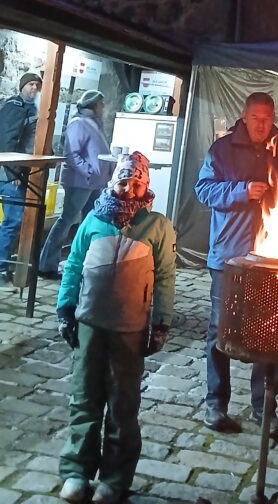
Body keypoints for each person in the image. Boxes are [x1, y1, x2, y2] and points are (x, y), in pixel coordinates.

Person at [56, 150, 176, 504]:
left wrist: (161, 321)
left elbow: (165, 275)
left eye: (136, 184)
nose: (129, 189)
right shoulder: (94, 220)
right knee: (84, 397)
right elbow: (74, 264)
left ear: (145, 187)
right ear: (113, 183)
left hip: (129, 327)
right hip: (90, 322)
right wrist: (65, 307)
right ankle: (76, 472)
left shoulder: (156, 226)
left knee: (123, 404)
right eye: (123, 182)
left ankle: (114, 478)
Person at [194, 92, 278, 438]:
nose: (262, 125)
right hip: (229, 257)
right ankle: (215, 404)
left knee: (271, 333)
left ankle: (264, 409)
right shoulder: (221, 151)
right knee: (219, 331)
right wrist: (241, 191)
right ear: (244, 116)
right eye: (256, 118)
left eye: (267, 118)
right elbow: (203, 191)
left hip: (270, 258)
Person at [39, 89, 113, 279]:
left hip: (94, 182)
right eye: (101, 103)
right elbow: (72, 154)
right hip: (80, 181)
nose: (103, 107)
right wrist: (89, 172)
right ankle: (47, 264)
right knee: (67, 220)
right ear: (93, 104)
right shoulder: (79, 123)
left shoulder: (95, 123)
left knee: (89, 222)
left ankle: (80, 263)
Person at [0, 71, 43, 283]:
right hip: (8, 174)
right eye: (30, 84)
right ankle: (0, 267)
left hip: (15, 172)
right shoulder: (15, 106)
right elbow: (7, 140)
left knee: (13, 219)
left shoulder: (30, 107)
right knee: (13, 220)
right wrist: (14, 171)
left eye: (37, 85)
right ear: (22, 86)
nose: (34, 88)